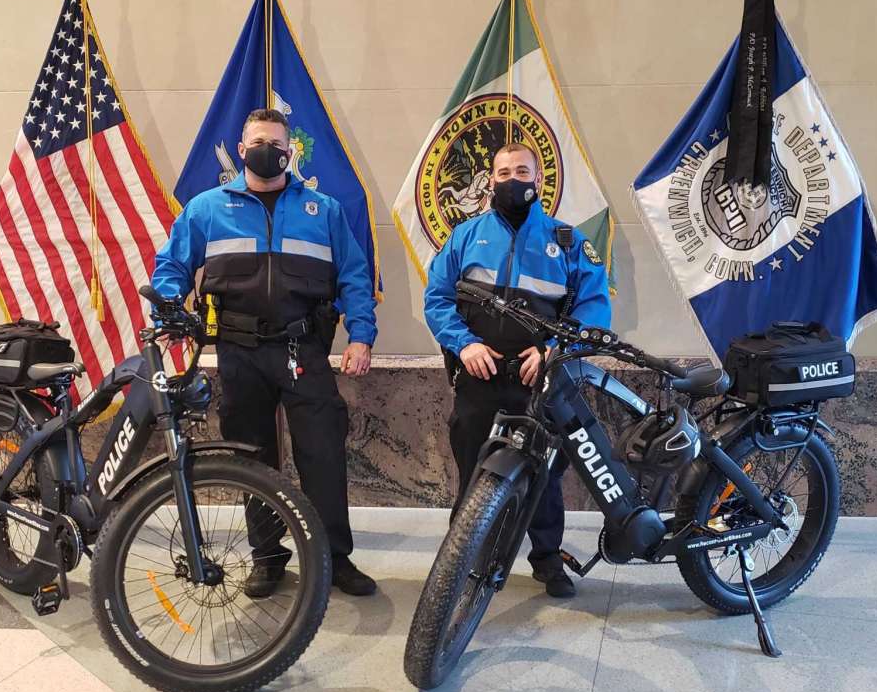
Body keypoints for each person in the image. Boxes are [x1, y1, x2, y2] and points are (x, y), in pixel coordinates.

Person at [152, 107, 379, 597]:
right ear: (241, 148)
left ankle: (333, 560)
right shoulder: (206, 208)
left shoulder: (325, 210)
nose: (268, 151)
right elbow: (171, 266)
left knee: (322, 455)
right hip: (240, 351)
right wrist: (168, 315)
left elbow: (356, 277)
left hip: (304, 349)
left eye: (278, 145)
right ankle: (268, 557)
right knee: (253, 460)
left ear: (290, 151)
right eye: (259, 142)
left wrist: (361, 335)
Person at [423, 141, 611, 598]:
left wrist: (551, 349)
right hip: (478, 377)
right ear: (490, 179)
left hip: (539, 381)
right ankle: (464, 556)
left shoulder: (569, 242)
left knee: (542, 474)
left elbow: (594, 309)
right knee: (473, 470)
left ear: (539, 180)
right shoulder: (465, 237)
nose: (511, 179)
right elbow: (437, 299)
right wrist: (464, 345)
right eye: (503, 171)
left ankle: (546, 558)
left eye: (521, 171)